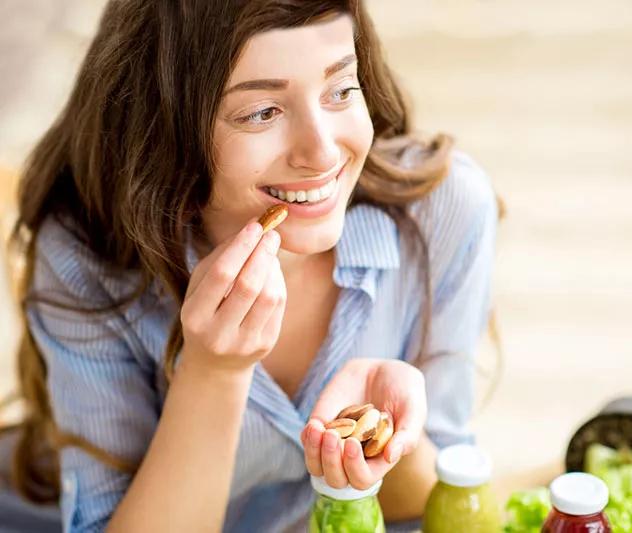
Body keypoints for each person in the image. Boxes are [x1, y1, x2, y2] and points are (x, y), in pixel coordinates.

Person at [0, 1, 499, 531]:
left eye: (340, 90)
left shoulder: (446, 210)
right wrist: (213, 372)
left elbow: (423, 506)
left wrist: (385, 437)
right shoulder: (85, 257)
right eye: (262, 111)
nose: (322, 151)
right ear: (163, 128)